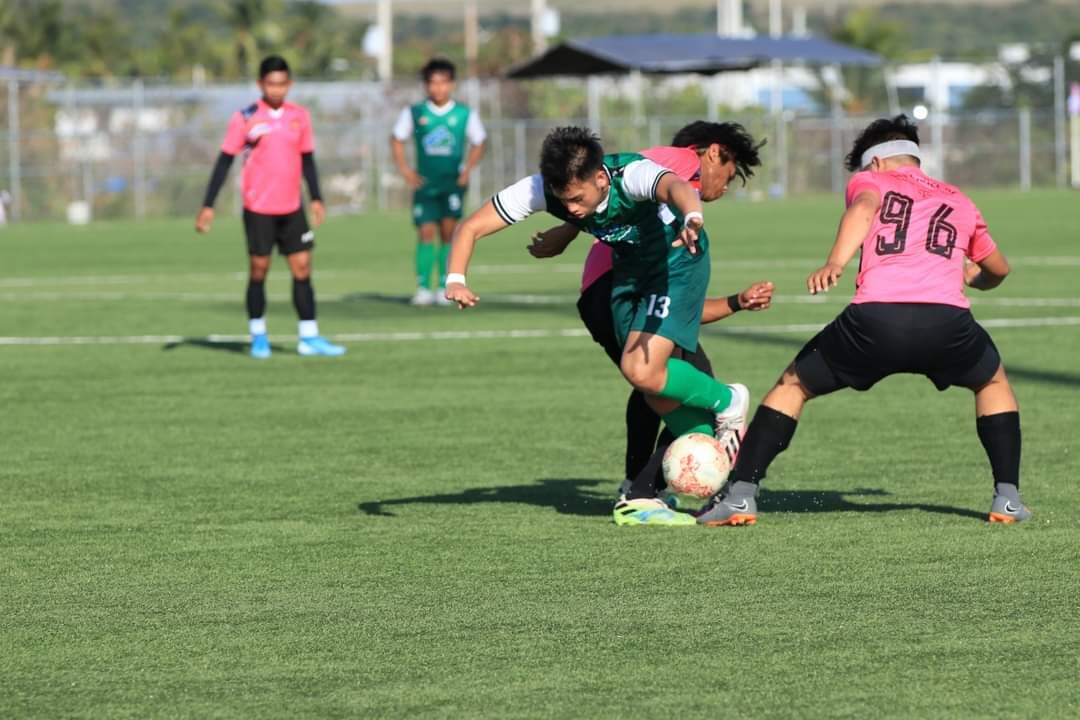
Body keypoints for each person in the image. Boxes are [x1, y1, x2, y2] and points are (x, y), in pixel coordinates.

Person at [697, 114, 1030, 527]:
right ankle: (1008, 499)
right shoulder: (958, 198)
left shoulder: (871, 181)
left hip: (875, 319)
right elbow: (999, 269)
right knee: (992, 382)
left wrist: (836, 261)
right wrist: (974, 278)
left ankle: (743, 494)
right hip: (947, 323)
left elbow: (865, 207)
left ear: (873, 163)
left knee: (794, 385)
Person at [446, 126, 750, 526]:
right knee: (649, 384)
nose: (571, 209)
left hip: (676, 265)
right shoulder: (542, 189)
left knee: (642, 369)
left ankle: (727, 401)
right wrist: (456, 279)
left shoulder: (631, 175)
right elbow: (471, 227)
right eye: (562, 200)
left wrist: (692, 215)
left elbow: (676, 185)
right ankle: (703, 456)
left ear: (600, 178)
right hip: (627, 275)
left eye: (577, 199)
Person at [525, 122, 772, 506]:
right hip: (617, 284)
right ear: (712, 153)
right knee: (677, 385)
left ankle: (640, 488)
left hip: (608, 290)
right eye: (730, 172)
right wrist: (569, 228)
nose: (725, 187)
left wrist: (737, 302)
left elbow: (685, 312)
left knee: (652, 381)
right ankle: (649, 492)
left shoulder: (675, 220)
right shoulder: (681, 162)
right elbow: (613, 171)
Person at [195, 55, 344, 359]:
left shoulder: (299, 116)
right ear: (260, 84)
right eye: (270, 84)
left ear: (289, 84)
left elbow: (307, 159)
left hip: (292, 207)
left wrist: (316, 197)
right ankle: (258, 336)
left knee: (302, 268)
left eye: (281, 83)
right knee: (259, 270)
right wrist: (208, 205)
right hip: (259, 208)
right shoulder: (245, 117)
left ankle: (309, 337)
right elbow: (225, 160)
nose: (276, 89)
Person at [391, 57, 487, 306]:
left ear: (452, 84)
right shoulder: (415, 112)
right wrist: (405, 170)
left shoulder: (464, 113)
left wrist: (467, 170)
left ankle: (447, 284)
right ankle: (423, 287)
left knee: (449, 234)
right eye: (433, 83)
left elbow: (479, 141)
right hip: (424, 183)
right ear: (426, 85)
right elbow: (396, 139)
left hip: (451, 184)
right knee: (425, 232)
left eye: (443, 83)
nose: (438, 89)